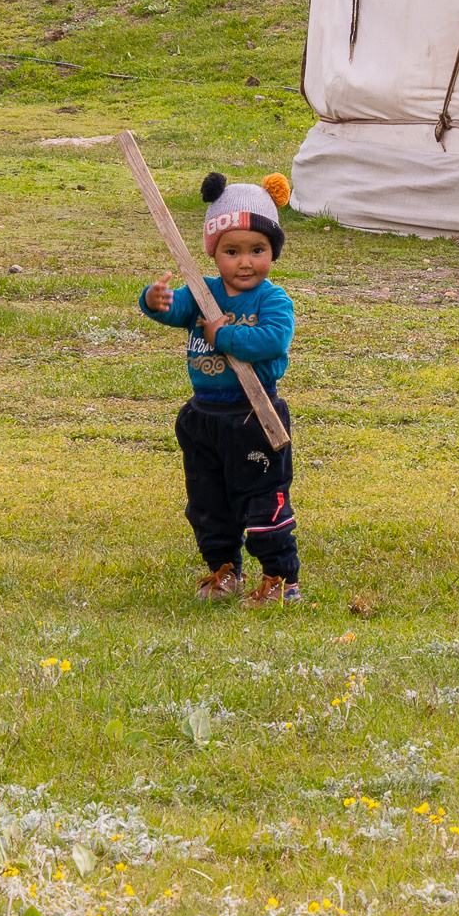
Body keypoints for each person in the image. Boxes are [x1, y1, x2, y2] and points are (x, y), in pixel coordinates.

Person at [137, 170, 299, 606]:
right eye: (232, 251)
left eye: (257, 250)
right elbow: (174, 312)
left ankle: (280, 579)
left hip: (253, 416)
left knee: (262, 499)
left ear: (272, 252)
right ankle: (223, 569)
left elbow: (271, 341)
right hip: (203, 418)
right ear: (214, 254)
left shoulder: (273, 300)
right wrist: (155, 302)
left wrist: (222, 336)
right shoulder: (200, 292)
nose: (245, 262)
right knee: (208, 502)